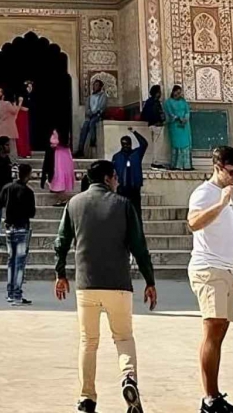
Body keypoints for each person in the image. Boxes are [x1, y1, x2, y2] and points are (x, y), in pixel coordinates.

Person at [54, 159, 157, 413]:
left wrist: (60, 274)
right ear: (110, 178)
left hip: (86, 284)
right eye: (116, 177)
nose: (119, 181)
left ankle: (86, 397)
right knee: (123, 337)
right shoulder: (123, 204)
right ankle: (128, 378)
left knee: (88, 341)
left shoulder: (74, 204)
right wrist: (149, 280)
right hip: (118, 284)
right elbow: (139, 247)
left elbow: (61, 242)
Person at [187, 145, 233, 413]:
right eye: (232, 172)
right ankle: (209, 398)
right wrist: (221, 203)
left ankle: (214, 394)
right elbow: (194, 222)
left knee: (219, 333)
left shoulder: (225, 192)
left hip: (224, 270)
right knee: (212, 332)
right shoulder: (205, 192)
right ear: (218, 167)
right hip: (208, 268)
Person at [0, 162, 37, 305]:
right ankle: (17, 294)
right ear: (27, 175)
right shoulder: (28, 192)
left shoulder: (7, 188)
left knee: (11, 261)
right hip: (22, 228)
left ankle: (10, 293)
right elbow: (32, 213)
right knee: (19, 263)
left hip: (9, 228)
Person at [113, 129, 149, 214]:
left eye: (128, 144)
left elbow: (144, 144)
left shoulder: (136, 154)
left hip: (134, 188)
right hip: (122, 188)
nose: (126, 146)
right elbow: (113, 172)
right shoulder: (117, 157)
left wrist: (135, 132)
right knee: (122, 213)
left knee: (136, 213)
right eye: (124, 144)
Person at [166, 85, 193, 171]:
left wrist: (185, 118)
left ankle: (187, 165)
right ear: (173, 92)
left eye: (179, 93)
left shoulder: (183, 101)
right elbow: (169, 113)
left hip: (185, 126)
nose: (178, 95)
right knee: (176, 144)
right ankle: (176, 165)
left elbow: (187, 111)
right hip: (175, 126)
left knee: (186, 143)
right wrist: (178, 118)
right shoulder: (168, 102)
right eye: (177, 93)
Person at [79, 79, 108, 157]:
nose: (95, 87)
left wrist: (95, 113)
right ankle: (80, 150)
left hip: (98, 115)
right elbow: (87, 108)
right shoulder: (89, 97)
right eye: (94, 85)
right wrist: (90, 113)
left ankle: (93, 141)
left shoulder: (103, 96)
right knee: (84, 127)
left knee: (92, 123)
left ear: (100, 87)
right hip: (90, 116)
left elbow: (102, 107)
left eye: (97, 85)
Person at [141, 85, 167, 169]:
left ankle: (156, 161)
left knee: (156, 144)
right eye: (159, 92)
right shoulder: (155, 102)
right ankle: (156, 162)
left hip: (151, 125)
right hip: (156, 126)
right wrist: (158, 121)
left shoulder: (149, 102)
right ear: (156, 93)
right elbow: (156, 113)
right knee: (158, 145)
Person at [49, 129, 78, 199]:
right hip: (64, 152)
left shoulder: (57, 132)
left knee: (60, 171)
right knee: (62, 171)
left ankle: (62, 195)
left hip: (61, 152)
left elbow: (54, 142)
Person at [0, 85, 21, 156]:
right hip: (9, 129)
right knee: (12, 147)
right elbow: (15, 111)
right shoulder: (6, 104)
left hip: (0, 129)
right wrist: (17, 103)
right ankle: (13, 163)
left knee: (2, 148)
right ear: (3, 96)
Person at [17, 79, 35, 158]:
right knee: (22, 133)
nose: (30, 88)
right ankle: (22, 151)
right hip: (21, 115)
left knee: (25, 133)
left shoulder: (28, 96)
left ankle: (26, 151)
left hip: (25, 114)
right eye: (29, 87)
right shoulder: (21, 96)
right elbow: (18, 106)